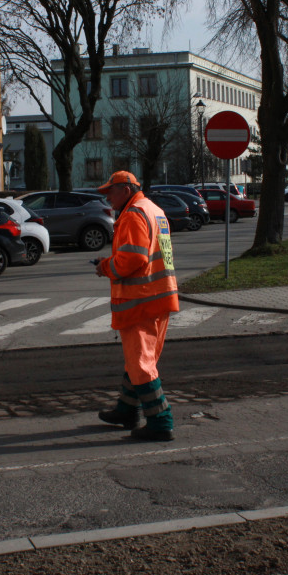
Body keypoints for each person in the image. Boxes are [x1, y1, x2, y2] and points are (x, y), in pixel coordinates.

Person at [93, 171, 179, 442]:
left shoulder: (132, 215)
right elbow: (162, 254)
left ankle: (160, 421)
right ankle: (126, 411)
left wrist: (105, 266)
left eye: (111, 191)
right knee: (140, 360)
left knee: (141, 364)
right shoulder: (155, 210)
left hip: (139, 301)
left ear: (126, 190)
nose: (107, 197)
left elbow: (132, 260)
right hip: (159, 297)